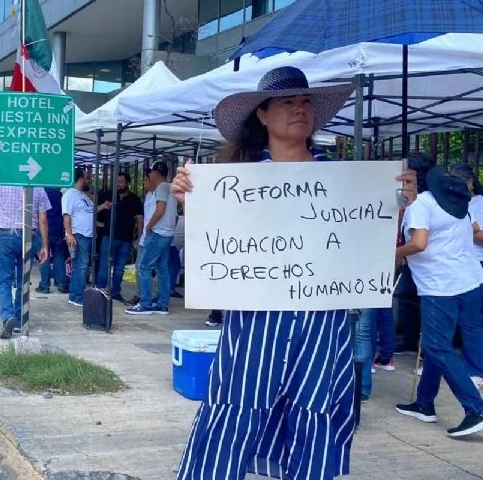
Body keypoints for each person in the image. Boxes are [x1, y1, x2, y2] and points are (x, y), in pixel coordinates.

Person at [171, 66, 416, 479]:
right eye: (288, 102)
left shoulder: (348, 181)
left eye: (306, 102)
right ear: (262, 115)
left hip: (324, 326)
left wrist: (399, 202)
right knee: (231, 413)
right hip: (253, 325)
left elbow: (366, 251)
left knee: (317, 418)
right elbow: (217, 246)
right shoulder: (231, 182)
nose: (300, 109)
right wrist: (188, 200)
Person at [395, 165, 483, 437]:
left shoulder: (421, 205)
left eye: (406, 179)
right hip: (469, 280)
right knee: (440, 344)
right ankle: (425, 404)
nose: (402, 184)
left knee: (436, 345)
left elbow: (419, 243)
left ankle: (475, 408)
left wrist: (392, 252)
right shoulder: (454, 202)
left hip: (439, 286)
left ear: (418, 182)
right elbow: (469, 232)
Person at [0, 184, 50, 338]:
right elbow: (43, 219)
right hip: (30, 235)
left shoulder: (2, 182)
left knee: (4, 280)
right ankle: (20, 318)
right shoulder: (38, 187)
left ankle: (8, 317)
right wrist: (44, 245)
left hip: (6, 234)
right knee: (24, 279)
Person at [126, 161, 177, 315]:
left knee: (143, 266)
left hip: (158, 232)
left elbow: (160, 210)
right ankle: (162, 304)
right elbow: (173, 215)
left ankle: (146, 303)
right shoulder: (171, 188)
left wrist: (148, 227)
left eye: (151, 172)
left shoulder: (161, 187)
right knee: (162, 269)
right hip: (167, 233)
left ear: (157, 173)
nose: (149, 175)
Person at [96, 172, 143, 302]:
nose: (118, 184)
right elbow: (93, 209)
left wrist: (139, 236)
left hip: (125, 239)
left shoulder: (134, 199)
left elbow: (139, 218)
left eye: (121, 182)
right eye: (116, 182)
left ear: (127, 183)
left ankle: (115, 292)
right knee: (104, 265)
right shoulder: (107, 196)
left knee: (119, 267)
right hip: (108, 237)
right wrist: (98, 223)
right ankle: (99, 292)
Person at [62, 168, 94, 307]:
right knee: (81, 267)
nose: (89, 180)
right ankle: (78, 296)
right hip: (78, 235)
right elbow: (67, 216)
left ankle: (75, 295)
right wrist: (69, 234)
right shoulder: (70, 194)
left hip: (86, 235)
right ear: (80, 179)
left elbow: (88, 212)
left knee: (80, 266)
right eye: (87, 178)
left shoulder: (83, 195)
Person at [38, 186, 69, 294]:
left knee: (43, 256)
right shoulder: (59, 194)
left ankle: (44, 285)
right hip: (57, 229)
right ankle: (62, 283)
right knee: (59, 257)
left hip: (43, 229)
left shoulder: (40, 191)